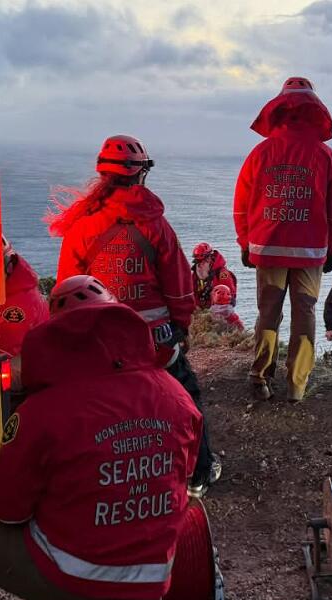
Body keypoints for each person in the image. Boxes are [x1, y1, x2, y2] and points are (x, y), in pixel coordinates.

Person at [0, 275, 202, 600]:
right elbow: (183, 476)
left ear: (54, 334)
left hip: (70, 571)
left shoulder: (41, 410)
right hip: (148, 577)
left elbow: (5, 509)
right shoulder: (176, 396)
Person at [53, 135, 219, 493]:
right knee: (185, 398)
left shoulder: (81, 226)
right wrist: (181, 329)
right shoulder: (156, 225)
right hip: (154, 340)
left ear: (103, 175)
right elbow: (179, 288)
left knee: (100, 410)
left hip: (100, 341)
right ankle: (198, 474)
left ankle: (104, 479)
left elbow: (67, 288)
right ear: (140, 174)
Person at [234, 76, 332, 402]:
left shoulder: (259, 153)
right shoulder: (326, 156)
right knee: (305, 314)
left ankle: (260, 377)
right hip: (310, 251)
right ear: (316, 111)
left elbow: (242, 204)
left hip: (267, 248)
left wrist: (245, 242)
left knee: (268, 313)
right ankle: (297, 385)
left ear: (278, 110)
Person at [191, 242, 238, 309]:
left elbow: (228, 299)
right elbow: (190, 294)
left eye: (203, 261)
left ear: (210, 259)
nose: (200, 265)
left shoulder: (222, 275)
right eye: (197, 262)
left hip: (217, 310)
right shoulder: (194, 275)